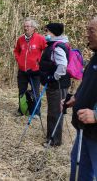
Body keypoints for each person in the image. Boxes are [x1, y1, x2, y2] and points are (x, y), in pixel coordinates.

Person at [66, 17, 97, 180]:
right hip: (84, 130)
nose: (87, 35)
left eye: (91, 31)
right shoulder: (95, 56)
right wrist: (77, 98)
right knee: (79, 169)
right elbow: (89, 85)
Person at [39, 22, 71, 147]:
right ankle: (53, 137)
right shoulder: (58, 44)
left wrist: (53, 77)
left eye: (46, 31)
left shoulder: (57, 46)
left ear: (53, 32)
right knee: (56, 111)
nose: (45, 34)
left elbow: (62, 65)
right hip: (59, 84)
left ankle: (53, 141)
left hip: (57, 85)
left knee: (54, 112)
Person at [14, 18, 46, 117]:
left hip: (35, 71)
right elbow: (16, 51)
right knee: (21, 91)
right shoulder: (20, 39)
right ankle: (22, 110)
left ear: (33, 28)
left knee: (35, 92)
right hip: (22, 71)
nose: (26, 28)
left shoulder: (40, 39)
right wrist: (19, 61)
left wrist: (41, 63)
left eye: (28, 26)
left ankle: (35, 112)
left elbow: (47, 51)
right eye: (25, 26)